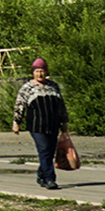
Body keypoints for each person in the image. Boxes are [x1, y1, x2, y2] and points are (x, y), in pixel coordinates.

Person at [12, 57, 68, 190]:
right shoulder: (27, 88)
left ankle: (41, 175)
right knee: (44, 151)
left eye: (42, 71)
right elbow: (20, 105)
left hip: (53, 124)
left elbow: (61, 105)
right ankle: (50, 179)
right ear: (33, 73)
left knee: (50, 152)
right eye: (37, 71)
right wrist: (16, 122)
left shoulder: (53, 86)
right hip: (37, 126)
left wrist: (64, 122)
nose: (40, 74)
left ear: (46, 71)